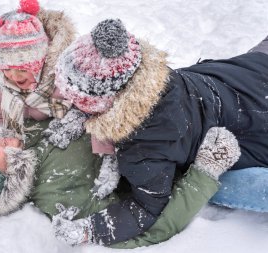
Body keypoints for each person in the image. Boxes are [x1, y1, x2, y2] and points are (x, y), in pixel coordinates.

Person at [51, 18, 268, 245]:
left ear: (103, 101)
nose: (58, 95)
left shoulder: (143, 145)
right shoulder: (153, 76)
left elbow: (146, 208)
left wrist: (90, 229)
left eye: (73, 97)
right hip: (248, 74)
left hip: (255, 132)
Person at [0, 119, 240, 249]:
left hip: (181, 100)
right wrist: (205, 172)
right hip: (193, 146)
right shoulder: (58, 195)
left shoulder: (26, 134)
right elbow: (143, 229)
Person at [0, 0, 75, 133]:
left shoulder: (61, 81)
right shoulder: (1, 85)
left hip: (60, 133)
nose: (14, 76)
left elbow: (83, 111)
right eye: (7, 68)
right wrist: (0, 139)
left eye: (22, 69)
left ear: (40, 64)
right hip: (21, 137)